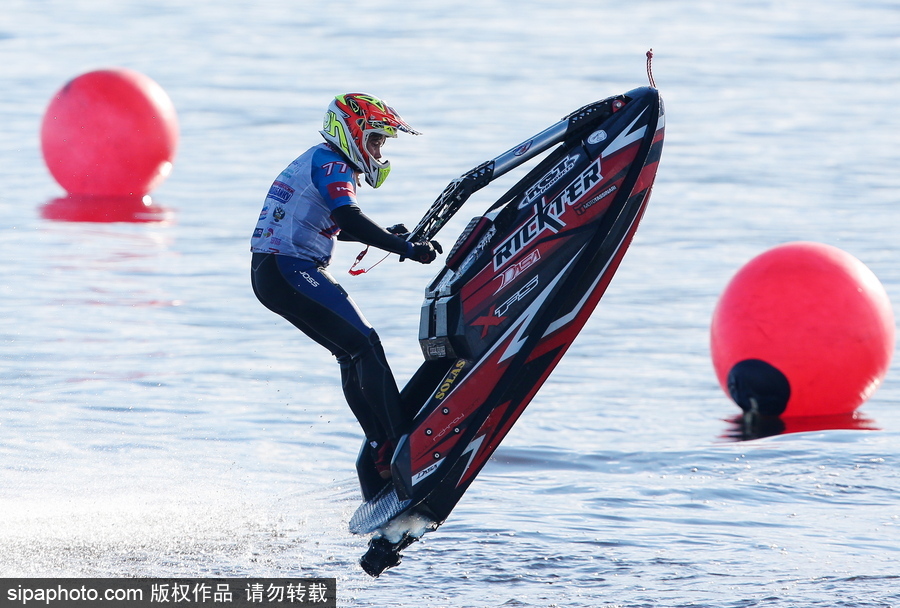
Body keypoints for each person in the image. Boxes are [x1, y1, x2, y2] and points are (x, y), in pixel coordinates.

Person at [250, 93, 441, 481]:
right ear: (351, 133)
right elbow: (348, 219)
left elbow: (330, 223)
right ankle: (402, 441)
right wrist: (405, 248)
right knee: (365, 346)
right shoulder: (334, 163)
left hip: (277, 271)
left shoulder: (322, 158)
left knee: (352, 354)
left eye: (382, 143)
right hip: (288, 269)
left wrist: (385, 236)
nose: (379, 150)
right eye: (375, 140)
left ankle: (380, 450)